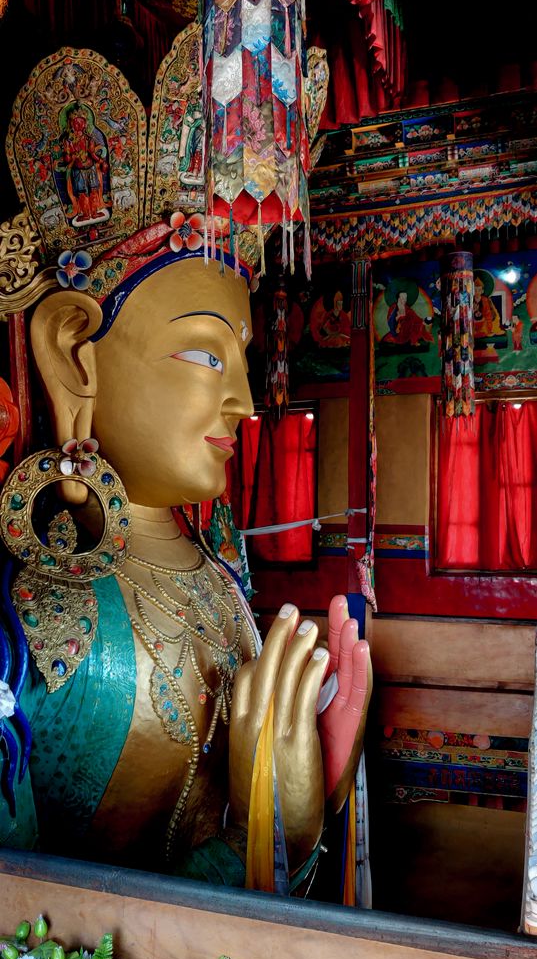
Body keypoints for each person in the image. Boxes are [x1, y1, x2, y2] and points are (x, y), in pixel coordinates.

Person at [0, 231, 371, 897]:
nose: (245, 402)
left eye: (242, 358)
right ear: (73, 355)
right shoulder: (27, 621)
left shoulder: (216, 581)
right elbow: (27, 936)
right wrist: (266, 837)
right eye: (204, 352)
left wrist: (309, 779)